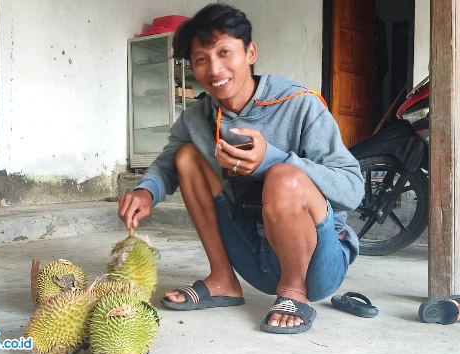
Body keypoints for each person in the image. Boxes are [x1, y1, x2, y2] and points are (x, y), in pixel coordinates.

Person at [117, 3, 364, 334]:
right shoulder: (197, 117)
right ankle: (222, 279)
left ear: (250, 52)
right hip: (254, 253)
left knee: (283, 176)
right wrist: (145, 190)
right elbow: (166, 164)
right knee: (186, 157)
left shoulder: (300, 104)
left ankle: (293, 292)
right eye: (201, 59)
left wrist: (273, 160)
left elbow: (352, 189)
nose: (214, 68)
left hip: (318, 264)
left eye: (224, 52)